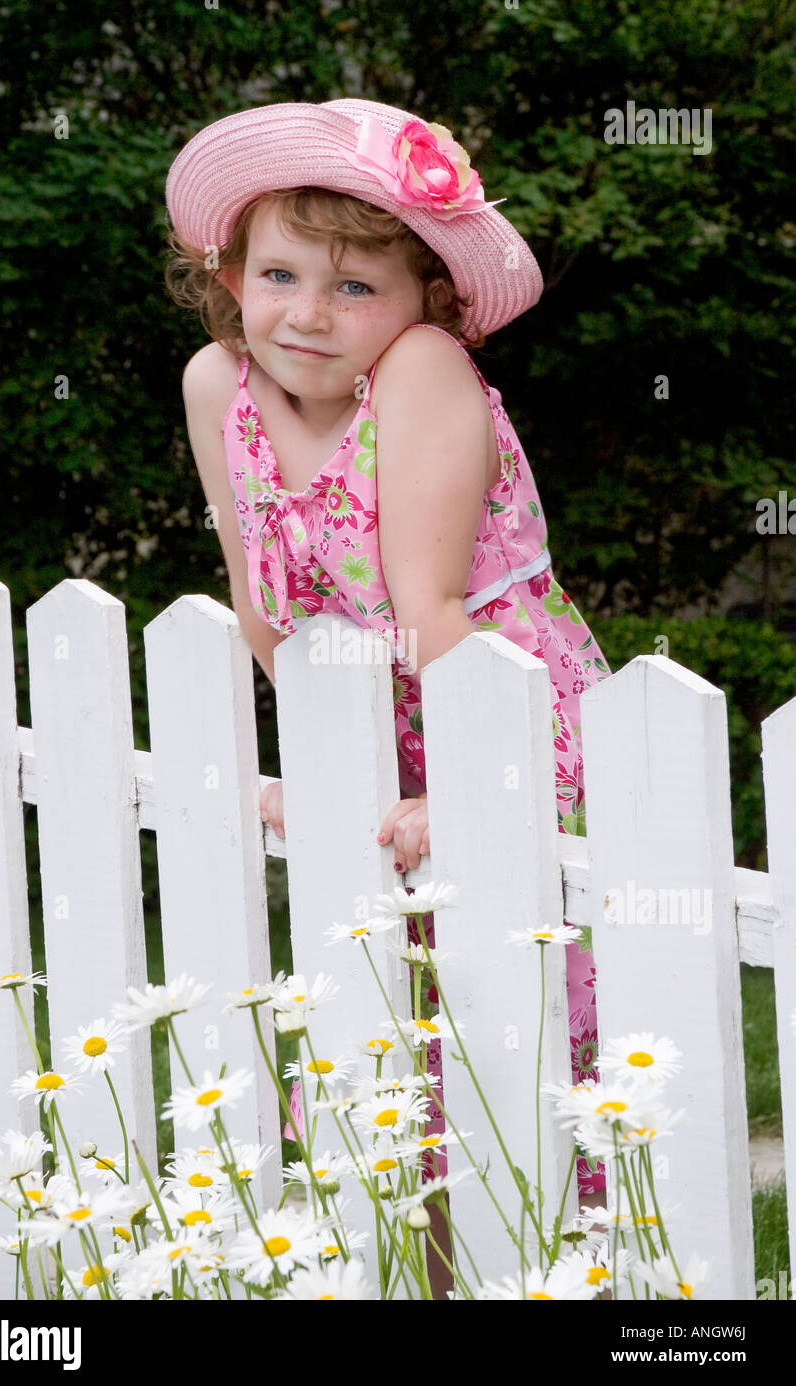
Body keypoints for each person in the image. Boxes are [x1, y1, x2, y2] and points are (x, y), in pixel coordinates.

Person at [164, 99, 611, 1213]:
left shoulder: (420, 370)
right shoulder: (215, 386)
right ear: (228, 274)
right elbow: (262, 608)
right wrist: (325, 768)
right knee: (382, 1044)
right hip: (370, 737)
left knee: (519, 1039)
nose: (308, 314)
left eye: (354, 285)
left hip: (500, 718)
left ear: (430, 304)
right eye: (277, 276)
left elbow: (431, 610)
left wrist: (459, 787)